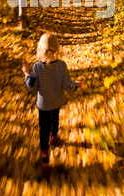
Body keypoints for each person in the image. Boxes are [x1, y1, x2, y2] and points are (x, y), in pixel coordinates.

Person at [22, 33, 81, 176]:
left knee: (43, 130)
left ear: (40, 49)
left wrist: (26, 74)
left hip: (43, 105)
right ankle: (54, 137)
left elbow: (31, 86)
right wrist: (76, 85)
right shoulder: (62, 66)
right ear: (57, 49)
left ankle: (45, 160)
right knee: (55, 119)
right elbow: (67, 85)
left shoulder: (37, 67)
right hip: (57, 102)